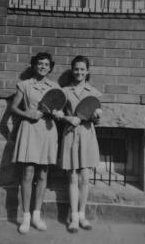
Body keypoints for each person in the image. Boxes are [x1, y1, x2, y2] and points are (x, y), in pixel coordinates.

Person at [11, 52, 60, 234]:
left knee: (43, 175)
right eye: (40, 64)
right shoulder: (24, 85)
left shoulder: (55, 87)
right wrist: (28, 114)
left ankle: (37, 216)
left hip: (47, 131)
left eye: (46, 64)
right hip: (30, 130)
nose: (43, 67)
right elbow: (14, 107)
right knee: (27, 173)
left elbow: (59, 108)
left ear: (50, 67)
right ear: (34, 65)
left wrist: (56, 113)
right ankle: (25, 217)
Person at [56, 55, 102, 233]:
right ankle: (73, 218)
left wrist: (97, 116)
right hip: (70, 135)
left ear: (87, 71)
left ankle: (82, 216)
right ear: (72, 70)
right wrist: (68, 117)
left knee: (85, 178)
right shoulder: (65, 91)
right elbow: (57, 113)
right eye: (76, 69)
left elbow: (96, 119)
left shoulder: (94, 92)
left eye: (82, 69)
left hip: (87, 136)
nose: (79, 72)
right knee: (73, 177)